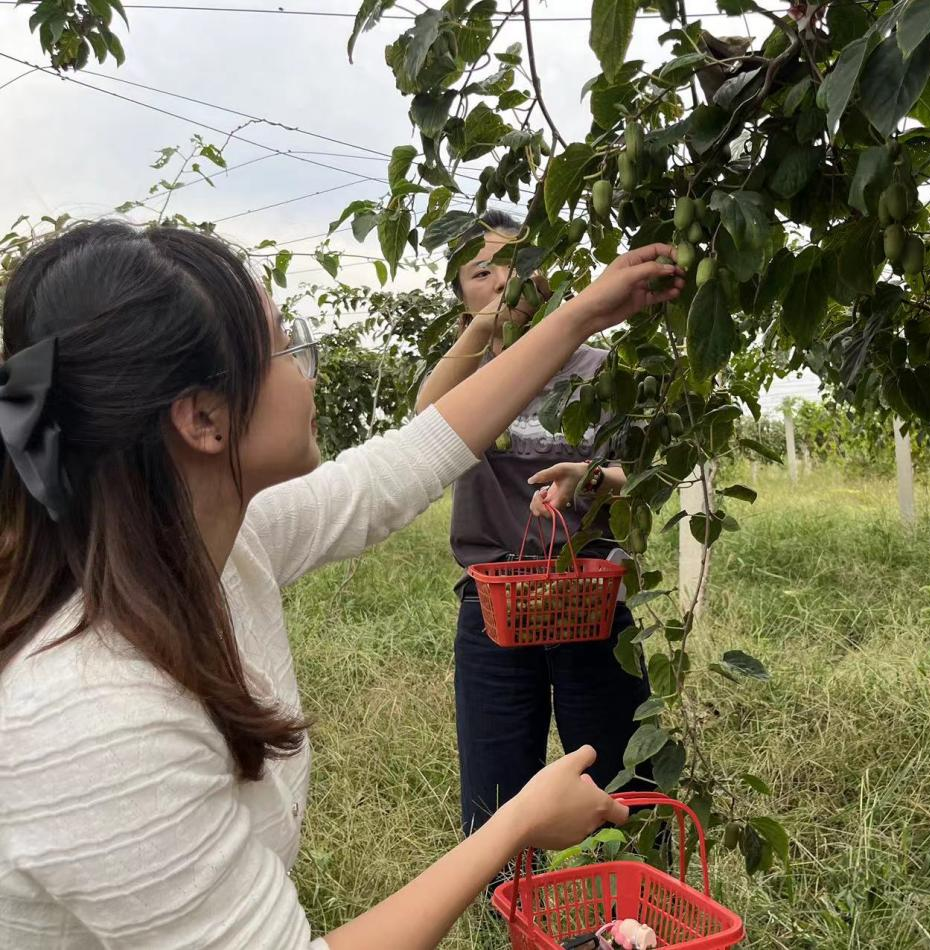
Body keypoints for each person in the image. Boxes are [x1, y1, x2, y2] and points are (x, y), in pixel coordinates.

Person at [0, 220, 682, 949]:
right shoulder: (95, 720)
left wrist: (583, 312)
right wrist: (514, 824)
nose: (310, 369)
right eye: (287, 346)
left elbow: (398, 467)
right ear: (204, 417)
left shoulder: (209, 547)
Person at [415, 211, 653, 844]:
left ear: (546, 276)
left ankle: (633, 901)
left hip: (591, 598)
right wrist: (484, 334)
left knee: (622, 772)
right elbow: (424, 424)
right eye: (479, 272)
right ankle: (503, 914)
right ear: (460, 293)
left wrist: (592, 477)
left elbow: (649, 474)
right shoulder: (467, 376)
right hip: (493, 602)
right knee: (495, 786)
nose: (501, 282)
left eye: (516, 265)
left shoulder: (599, 369)